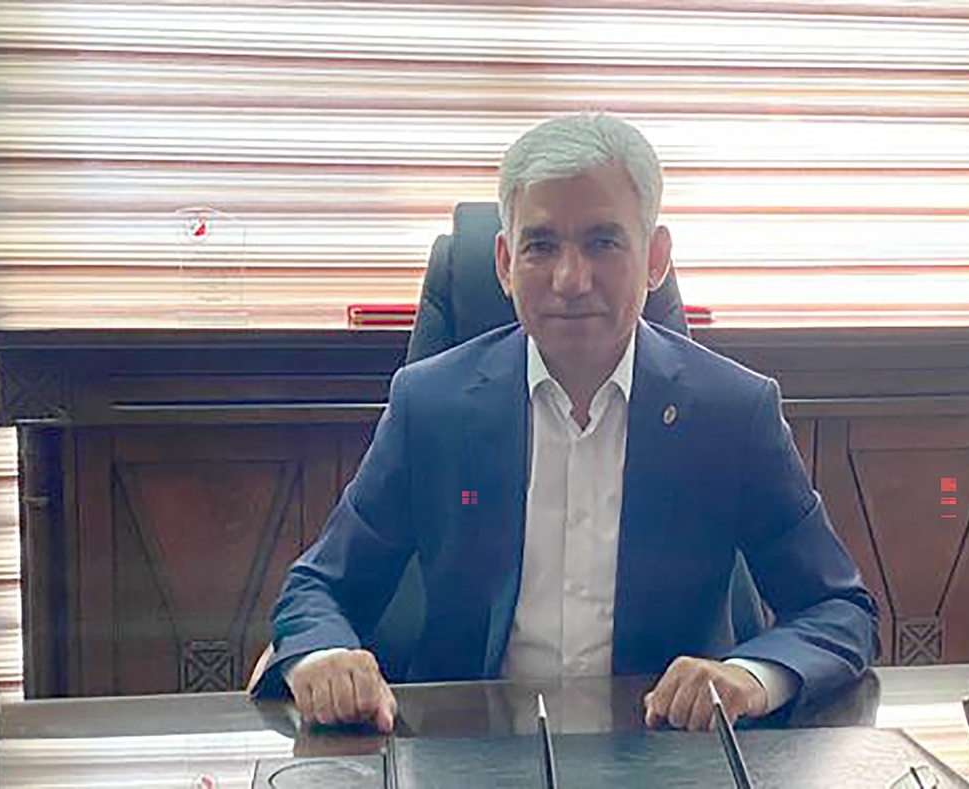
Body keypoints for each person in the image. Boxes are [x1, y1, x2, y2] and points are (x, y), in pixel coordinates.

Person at [255, 113, 876, 733]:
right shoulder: (432, 407)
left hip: (664, 753)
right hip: (466, 753)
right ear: (505, 262)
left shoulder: (732, 412)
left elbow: (839, 608)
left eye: (603, 243)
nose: (570, 280)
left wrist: (750, 677)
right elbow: (319, 587)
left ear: (655, 257)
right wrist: (324, 656)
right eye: (541, 245)